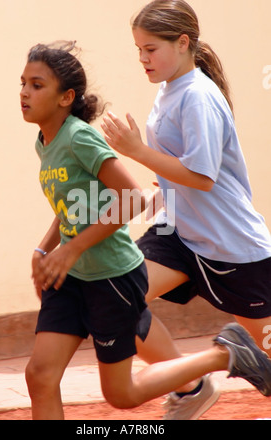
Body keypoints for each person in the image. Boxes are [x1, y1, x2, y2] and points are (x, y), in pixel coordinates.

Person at [20, 41, 271, 421]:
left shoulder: (79, 137)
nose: (24, 92)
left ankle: (225, 356)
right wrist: (45, 250)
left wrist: (69, 251)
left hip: (126, 271)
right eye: (22, 83)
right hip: (79, 275)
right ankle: (194, 388)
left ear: (65, 97)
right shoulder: (46, 142)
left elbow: (136, 197)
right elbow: (72, 201)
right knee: (40, 376)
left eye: (36, 85)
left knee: (121, 393)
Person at [101, 0, 271, 418]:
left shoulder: (197, 96)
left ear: (182, 43)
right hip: (177, 232)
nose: (142, 58)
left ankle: (237, 356)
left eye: (150, 49)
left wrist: (136, 151)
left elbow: (202, 176)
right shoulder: (169, 91)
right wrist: (157, 191)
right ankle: (192, 387)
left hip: (231, 247)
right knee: (113, 293)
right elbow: (181, 172)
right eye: (138, 49)